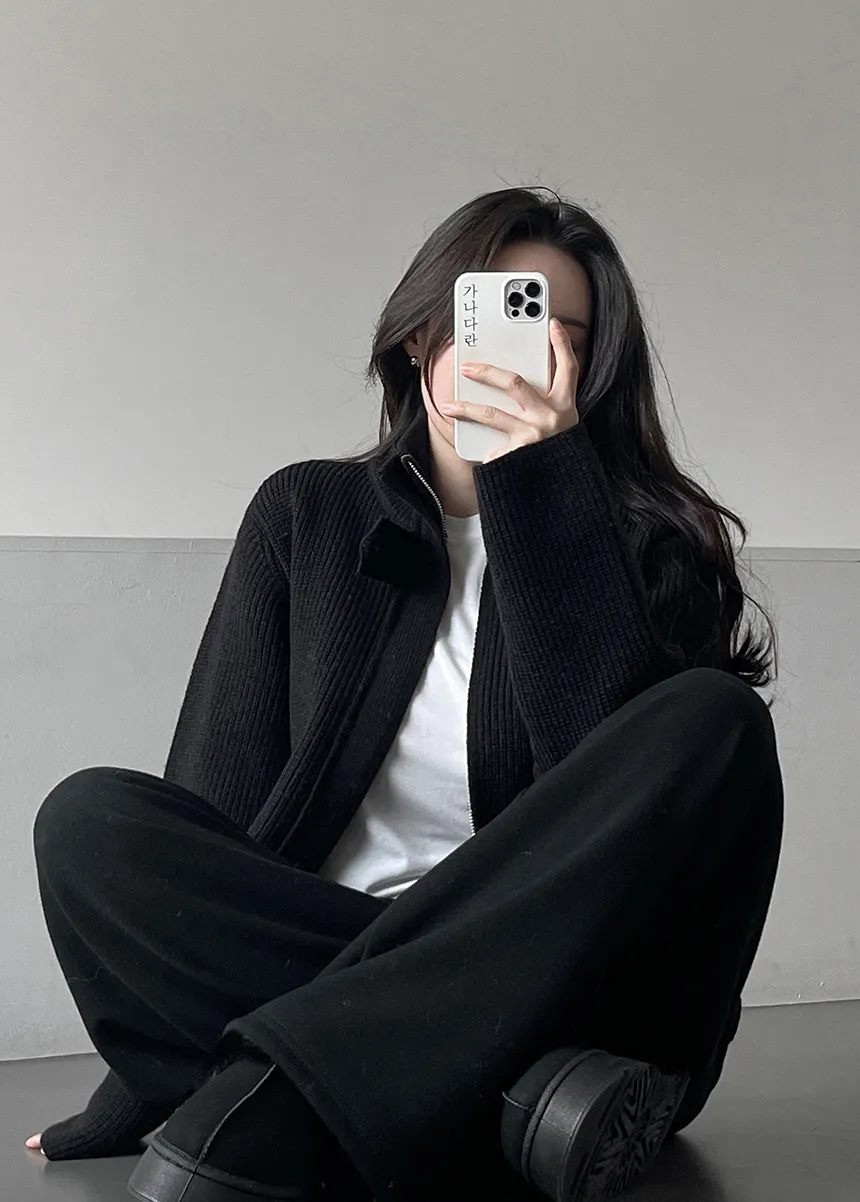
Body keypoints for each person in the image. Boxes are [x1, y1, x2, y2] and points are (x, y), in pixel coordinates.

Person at [28, 187, 783, 1202]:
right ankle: (507, 1101)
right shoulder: (307, 512)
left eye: (558, 333)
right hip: (379, 966)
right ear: (423, 335)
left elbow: (613, 822)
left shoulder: (657, 544)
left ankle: (291, 1084)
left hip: (575, 978)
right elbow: (217, 797)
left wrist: (541, 490)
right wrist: (126, 1097)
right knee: (88, 819)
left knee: (716, 721)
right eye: (494, 317)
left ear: (592, 369)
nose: (522, 354)